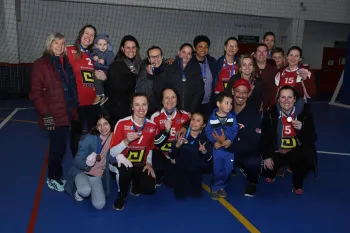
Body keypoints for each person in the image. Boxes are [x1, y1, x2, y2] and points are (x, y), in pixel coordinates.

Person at [29, 32, 78, 192]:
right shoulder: (41, 64)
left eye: (62, 43)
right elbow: (36, 94)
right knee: (57, 149)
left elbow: (70, 88)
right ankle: (52, 178)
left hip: (65, 113)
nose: (59, 46)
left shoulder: (65, 63)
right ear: (49, 45)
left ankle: (58, 175)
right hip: (53, 114)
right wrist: (46, 115)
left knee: (60, 148)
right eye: (56, 43)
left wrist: (74, 109)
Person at [260, 85, 317, 194]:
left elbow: (313, 138)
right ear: (278, 99)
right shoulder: (270, 114)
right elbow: (265, 137)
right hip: (277, 151)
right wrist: (266, 156)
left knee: (308, 158)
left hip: (295, 151)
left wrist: (302, 128)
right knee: (265, 170)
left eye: (289, 97)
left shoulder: (304, 113)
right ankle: (273, 172)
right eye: (283, 97)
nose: (286, 101)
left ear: (294, 99)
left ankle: (297, 183)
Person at [109, 93, 158, 210]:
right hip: (122, 163)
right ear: (132, 107)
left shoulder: (152, 126)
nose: (141, 108)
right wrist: (125, 141)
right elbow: (112, 152)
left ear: (148, 106)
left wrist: (149, 163)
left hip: (140, 163)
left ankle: (135, 181)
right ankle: (122, 194)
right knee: (125, 169)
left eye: (144, 104)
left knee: (149, 188)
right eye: (137, 105)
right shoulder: (122, 123)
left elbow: (150, 147)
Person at [66, 24, 104, 158]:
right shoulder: (69, 50)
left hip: (93, 103)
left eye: (92, 35)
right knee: (76, 132)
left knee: (94, 132)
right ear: (81, 34)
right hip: (78, 104)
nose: (89, 37)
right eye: (86, 33)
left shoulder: (92, 56)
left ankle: (93, 158)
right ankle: (77, 160)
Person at [64, 109, 113, 210]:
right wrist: (87, 163)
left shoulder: (114, 138)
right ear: (96, 126)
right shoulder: (90, 138)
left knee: (99, 205)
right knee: (85, 191)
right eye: (99, 125)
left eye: (105, 124)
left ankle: (90, 187)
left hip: (97, 175)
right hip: (82, 171)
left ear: (111, 123)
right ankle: (80, 192)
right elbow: (76, 160)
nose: (103, 128)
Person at [229, 79, 262, 197]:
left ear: (248, 94)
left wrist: (231, 146)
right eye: (238, 91)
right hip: (228, 147)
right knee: (214, 152)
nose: (241, 95)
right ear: (233, 91)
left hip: (244, 150)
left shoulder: (253, 113)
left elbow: (253, 142)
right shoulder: (225, 108)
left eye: (244, 92)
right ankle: (222, 175)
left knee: (254, 160)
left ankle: (252, 181)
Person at [151, 88, 191, 186]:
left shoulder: (185, 115)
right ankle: (159, 172)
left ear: (177, 99)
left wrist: (186, 127)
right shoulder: (155, 116)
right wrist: (166, 131)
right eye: (166, 98)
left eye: (173, 97)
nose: (170, 100)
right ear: (162, 100)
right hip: (161, 154)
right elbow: (154, 143)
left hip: (176, 153)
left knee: (173, 182)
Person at [170, 112, 212, 198]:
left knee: (196, 195)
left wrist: (204, 151)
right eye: (193, 119)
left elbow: (209, 160)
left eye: (198, 121)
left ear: (203, 125)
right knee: (179, 195)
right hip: (181, 170)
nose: (194, 122)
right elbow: (172, 155)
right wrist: (177, 146)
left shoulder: (205, 138)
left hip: (195, 170)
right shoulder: (182, 135)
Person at [205, 92, 239, 200]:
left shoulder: (232, 118)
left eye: (231, 103)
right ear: (218, 104)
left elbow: (235, 130)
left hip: (229, 149)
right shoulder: (212, 119)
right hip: (218, 150)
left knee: (228, 169)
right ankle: (215, 187)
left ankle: (222, 186)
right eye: (226, 103)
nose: (229, 106)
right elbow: (208, 132)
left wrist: (230, 140)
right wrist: (214, 142)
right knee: (217, 169)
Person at [104, 35, 141, 123]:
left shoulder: (136, 65)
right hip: (118, 112)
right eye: (128, 48)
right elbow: (117, 88)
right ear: (122, 48)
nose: (131, 50)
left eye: (133, 47)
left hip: (128, 110)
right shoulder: (117, 65)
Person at [163, 43, 204, 113]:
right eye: (183, 52)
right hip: (172, 109)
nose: (186, 56)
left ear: (191, 56)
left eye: (189, 54)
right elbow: (164, 89)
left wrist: (191, 110)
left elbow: (199, 91)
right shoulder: (169, 68)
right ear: (179, 52)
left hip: (190, 111)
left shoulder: (196, 70)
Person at [135, 46, 167, 113]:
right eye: (152, 57)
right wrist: (150, 76)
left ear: (162, 57)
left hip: (166, 110)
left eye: (158, 56)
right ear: (149, 59)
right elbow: (143, 94)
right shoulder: (144, 72)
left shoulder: (169, 70)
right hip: (150, 111)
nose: (155, 59)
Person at [192, 35, 217, 115]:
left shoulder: (212, 62)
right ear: (195, 48)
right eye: (200, 46)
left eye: (206, 47)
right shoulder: (189, 62)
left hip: (208, 104)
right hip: (192, 103)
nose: (203, 49)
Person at [91, 34, 115, 105]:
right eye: (100, 44)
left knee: (98, 81)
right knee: (94, 82)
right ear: (96, 45)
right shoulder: (95, 52)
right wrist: (93, 57)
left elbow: (111, 60)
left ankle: (99, 95)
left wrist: (104, 61)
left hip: (104, 70)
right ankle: (101, 96)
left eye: (105, 44)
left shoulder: (109, 53)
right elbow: (89, 56)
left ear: (108, 45)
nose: (102, 46)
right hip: (95, 69)